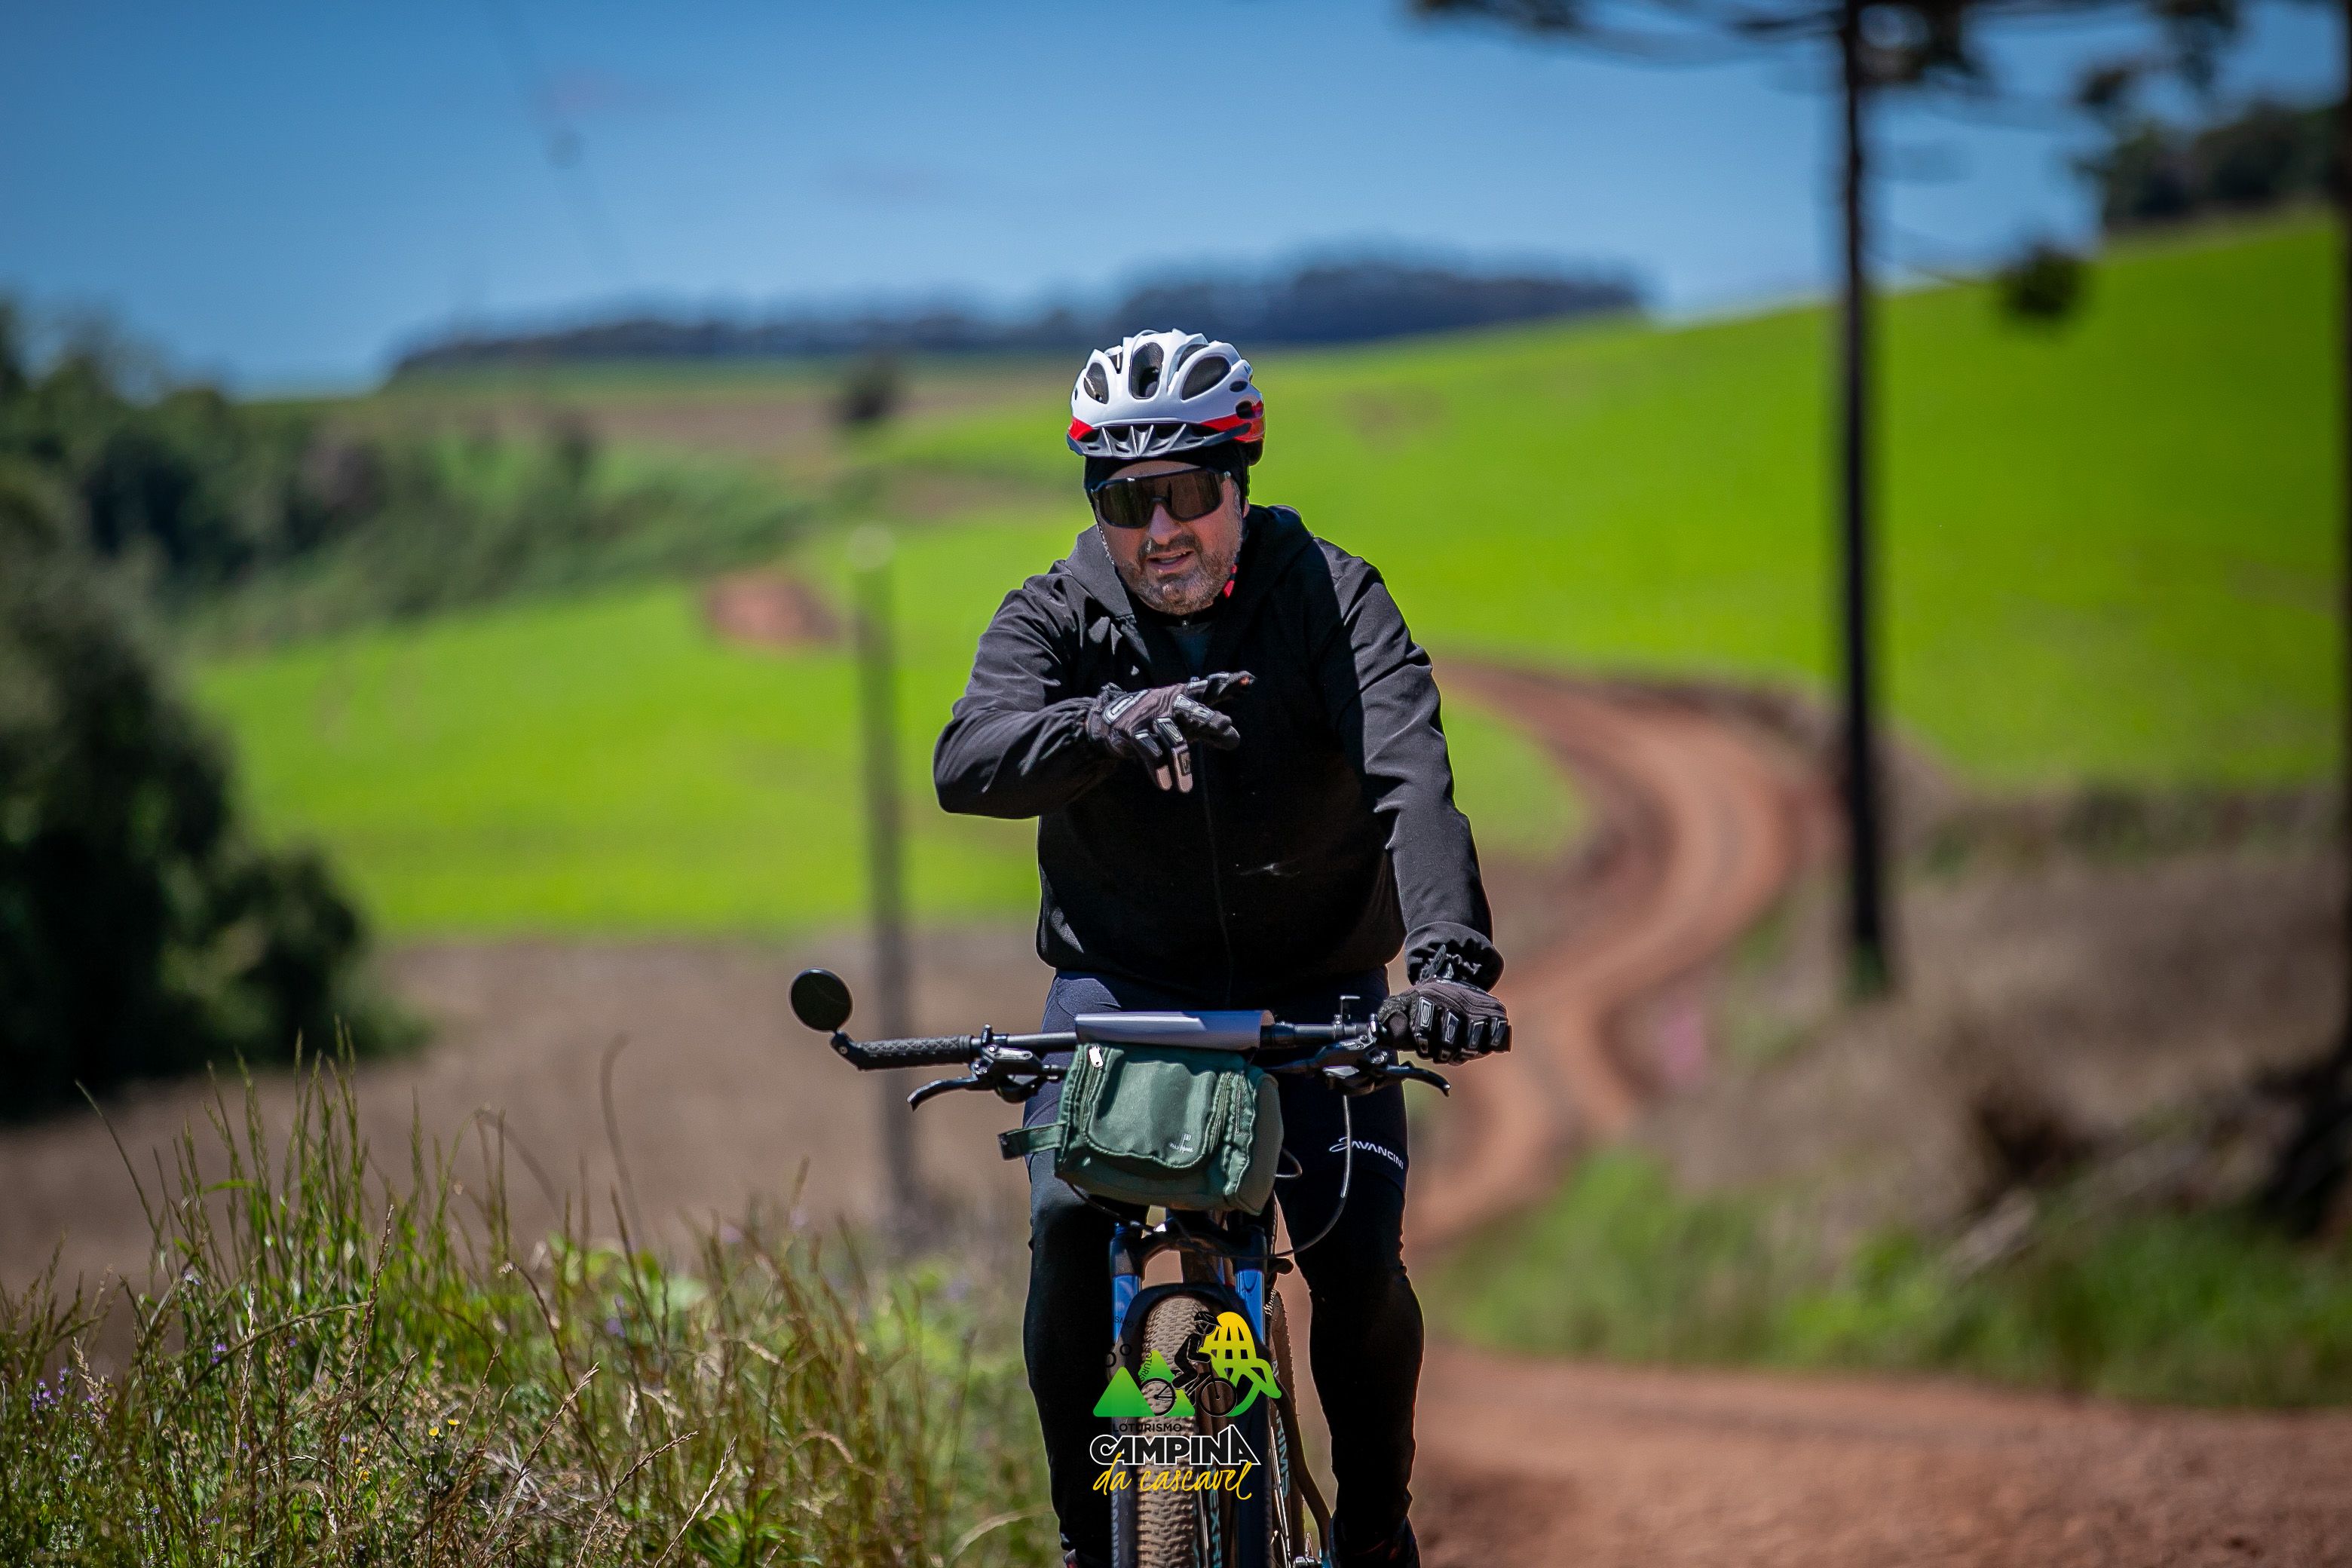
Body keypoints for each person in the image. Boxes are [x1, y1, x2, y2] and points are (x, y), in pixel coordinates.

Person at [934, 329, 1509, 1568]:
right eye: (1124, 501)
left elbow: (1411, 779)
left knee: (1359, 1268)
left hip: (1320, 984)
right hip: (1122, 987)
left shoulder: (1330, 596)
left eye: (1187, 492)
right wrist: (1101, 723)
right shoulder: (1056, 612)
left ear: (1239, 481)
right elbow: (966, 760)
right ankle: (1091, 1540)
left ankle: (1375, 1534)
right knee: (1065, 1226)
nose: (1159, 530)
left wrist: (1448, 961)